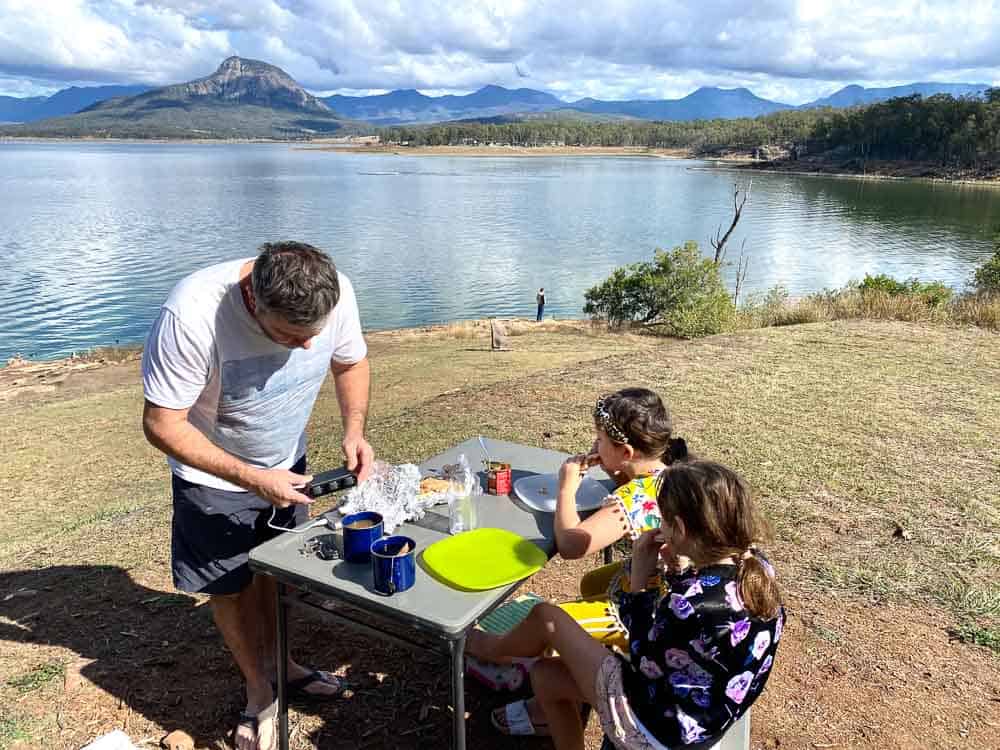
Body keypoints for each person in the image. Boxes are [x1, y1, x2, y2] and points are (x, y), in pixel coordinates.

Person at [141, 241, 374, 750]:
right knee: (229, 586)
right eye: (293, 337)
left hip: (288, 466)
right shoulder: (192, 314)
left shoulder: (335, 294)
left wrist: (354, 431)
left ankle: (284, 666)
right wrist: (248, 477)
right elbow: (161, 424)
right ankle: (257, 691)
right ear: (254, 300)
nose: (309, 347)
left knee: (278, 573)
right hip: (214, 479)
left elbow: (350, 362)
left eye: (313, 334)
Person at [467, 460, 784, 750]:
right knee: (546, 677)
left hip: (656, 729)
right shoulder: (757, 566)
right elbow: (693, 637)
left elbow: (640, 652)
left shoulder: (686, 603)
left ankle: (489, 648)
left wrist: (640, 580)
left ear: (681, 529)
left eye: (664, 521)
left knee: (547, 617)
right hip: (704, 718)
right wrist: (677, 570)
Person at [488, 388, 689, 735]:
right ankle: (576, 677)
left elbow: (570, 545)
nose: (594, 446)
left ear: (626, 452)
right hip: (666, 589)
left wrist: (566, 488)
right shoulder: (670, 471)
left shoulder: (634, 499)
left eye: (599, 440)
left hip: (648, 616)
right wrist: (616, 469)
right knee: (591, 584)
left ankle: (491, 650)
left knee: (546, 618)